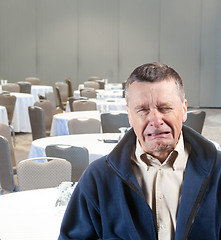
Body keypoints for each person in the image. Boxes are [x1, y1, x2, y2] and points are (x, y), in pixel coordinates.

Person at [58, 62, 221, 240]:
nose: (155, 119)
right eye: (142, 110)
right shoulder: (98, 178)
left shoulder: (218, 171)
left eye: (164, 108)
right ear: (129, 115)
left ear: (183, 109)